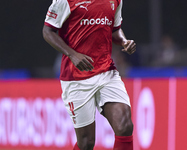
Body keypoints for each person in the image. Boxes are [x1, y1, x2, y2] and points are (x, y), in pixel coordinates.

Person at [42, 0, 136, 149]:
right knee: (86, 142)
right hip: (76, 77)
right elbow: (48, 31)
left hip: (107, 72)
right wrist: (72, 54)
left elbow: (115, 29)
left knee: (124, 125)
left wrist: (124, 41)